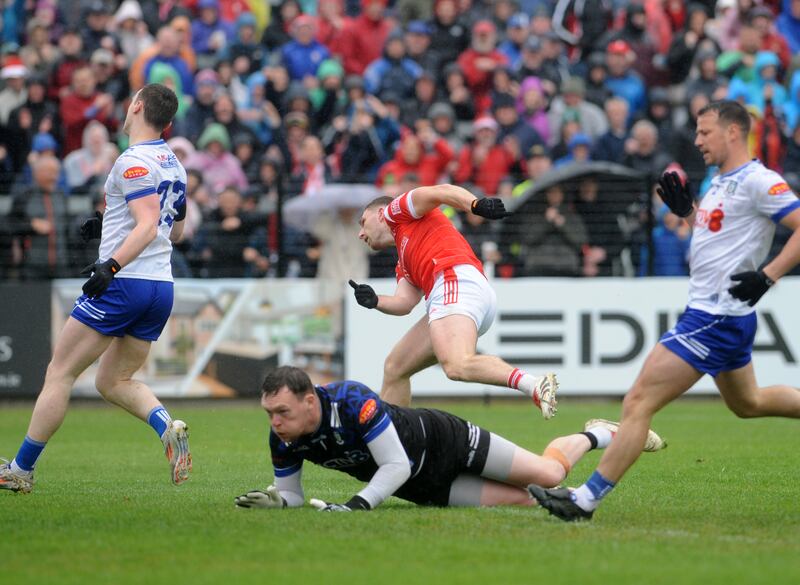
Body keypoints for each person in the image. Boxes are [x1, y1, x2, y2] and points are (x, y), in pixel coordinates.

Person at [530, 100, 800, 521]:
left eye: (705, 131)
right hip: (720, 316)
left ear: (733, 132)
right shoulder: (721, 181)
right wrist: (689, 213)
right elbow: (717, 238)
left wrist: (768, 276)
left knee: (638, 401)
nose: (697, 140)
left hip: (714, 318)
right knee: (748, 403)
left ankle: (585, 500)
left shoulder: (759, 181)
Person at [0, 84, 192, 494]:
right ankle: (166, 427)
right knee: (113, 380)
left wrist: (111, 265)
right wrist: (106, 226)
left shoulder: (132, 160)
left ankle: (21, 470)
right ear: (169, 122)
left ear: (137, 106)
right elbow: (172, 227)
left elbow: (145, 224)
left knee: (60, 372)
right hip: (161, 286)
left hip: (126, 283)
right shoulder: (174, 163)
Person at [233, 367, 666, 511]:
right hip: (427, 489)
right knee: (540, 498)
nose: (275, 422)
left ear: (311, 401)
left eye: (283, 412)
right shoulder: (285, 439)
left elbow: (395, 465)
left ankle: (595, 433)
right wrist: (277, 500)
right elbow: (291, 493)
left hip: (450, 441)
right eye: (270, 414)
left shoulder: (352, 400)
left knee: (550, 472)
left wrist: (357, 505)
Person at [350, 184, 558, 416]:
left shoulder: (394, 212)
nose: (360, 233)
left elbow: (440, 191)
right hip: (459, 290)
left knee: (456, 365)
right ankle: (394, 445)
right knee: (395, 367)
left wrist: (475, 205)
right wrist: (375, 300)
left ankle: (533, 384)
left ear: (380, 213)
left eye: (362, 222)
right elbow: (405, 302)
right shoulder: (404, 260)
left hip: (454, 281)